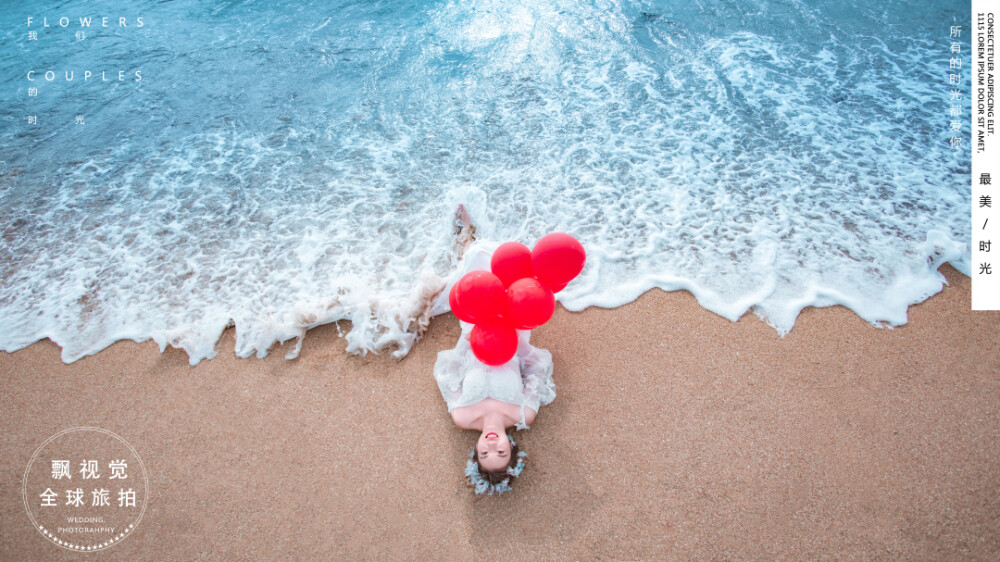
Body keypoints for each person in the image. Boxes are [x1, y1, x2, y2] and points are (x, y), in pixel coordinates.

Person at [432, 236, 557, 496]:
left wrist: (467, 342)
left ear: (475, 452)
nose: (491, 446)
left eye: (484, 453)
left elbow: (447, 373)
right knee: (514, 270)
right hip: (514, 323)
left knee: (477, 258)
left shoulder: (462, 416)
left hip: (477, 325)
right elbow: (536, 368)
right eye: (500, 452)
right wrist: (515, 343)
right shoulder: (524, 414)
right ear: (511, 447)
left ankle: (467, 231)